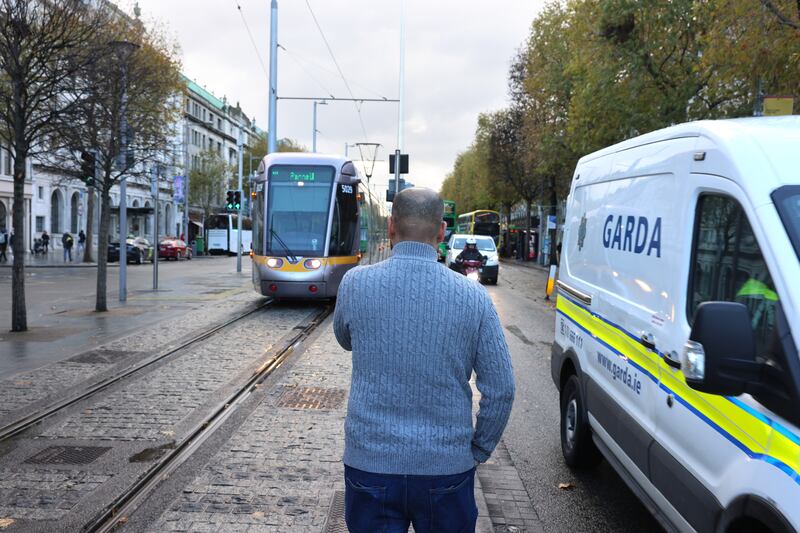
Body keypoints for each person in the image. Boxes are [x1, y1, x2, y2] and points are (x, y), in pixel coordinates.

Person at [334, 188, 515, 533]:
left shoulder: (355, 283)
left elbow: (345, 339)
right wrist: (478, 448)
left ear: (390, 227)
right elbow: (502, 389)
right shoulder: (473, 296)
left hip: (370, 467)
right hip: (446, 470)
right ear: (442, 232)